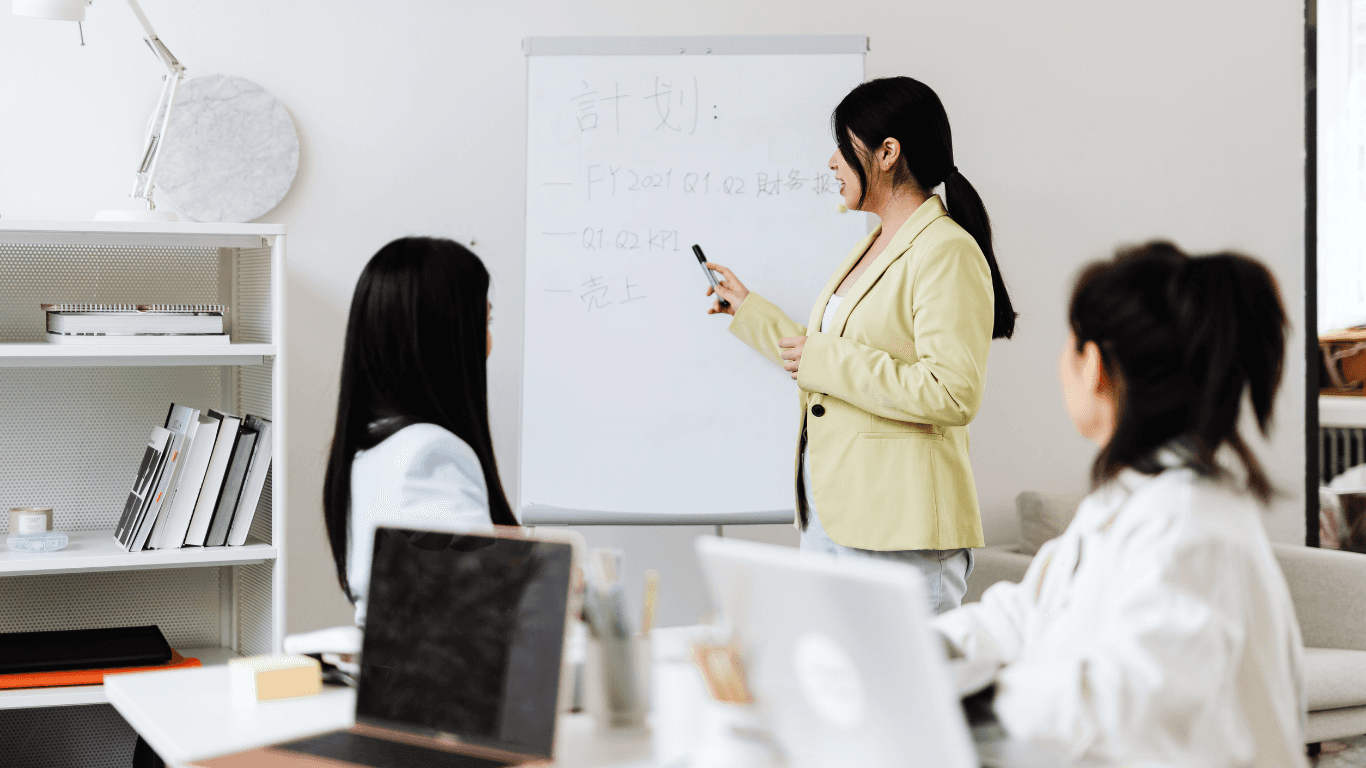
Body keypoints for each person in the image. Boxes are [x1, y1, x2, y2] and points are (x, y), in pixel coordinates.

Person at [932, 243, 1307, 767]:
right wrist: (917, 646)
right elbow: (1025, 616)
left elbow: (1123, 700)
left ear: (1094, 366)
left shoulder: (1188, 525)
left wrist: (968, 703)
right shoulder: (1129, 502)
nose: (1060, 362)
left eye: (1069, 342)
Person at [705, 76, 1014, 614]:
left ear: (888, 153)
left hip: (900, 527)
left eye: (843, 145)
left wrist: (826, 358)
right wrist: (750, 310)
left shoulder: (945, 250)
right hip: (835, 514)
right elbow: (825, 358)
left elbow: (952, 392)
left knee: (909, 695)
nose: (831, 161)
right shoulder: (871, 244)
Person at [322, 236, 517, 626]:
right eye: (485, 321)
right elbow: (471, 610)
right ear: (449, 335)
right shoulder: (431, 452)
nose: (489, 342)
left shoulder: (370, 442)